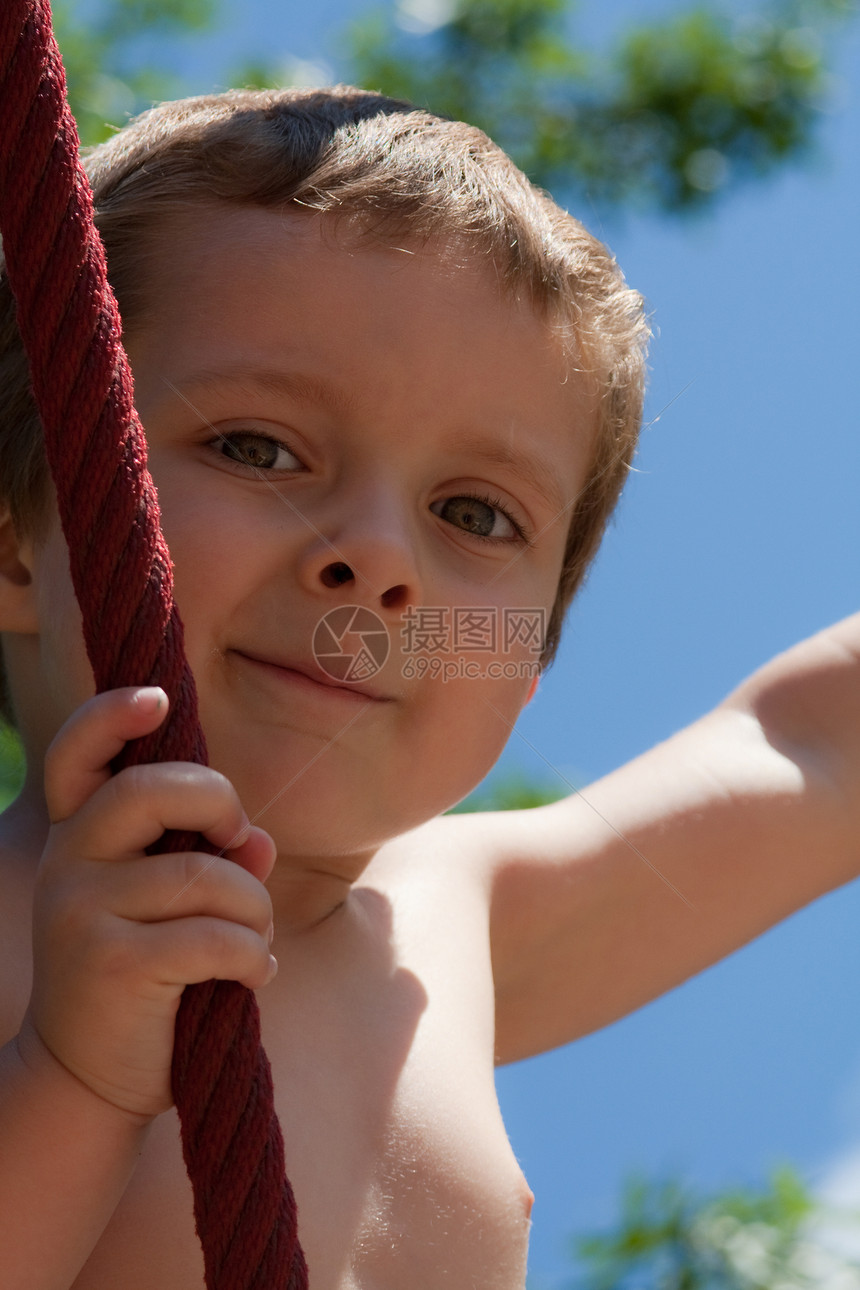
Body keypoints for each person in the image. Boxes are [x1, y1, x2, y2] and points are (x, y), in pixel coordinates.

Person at [0, 86, 856, 1290]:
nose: (379, 561)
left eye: (473, 515)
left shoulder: (450, 915)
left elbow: (813, 754)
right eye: (258, 447)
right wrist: (69, 1080)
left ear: (529, 663)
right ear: (17, 543)